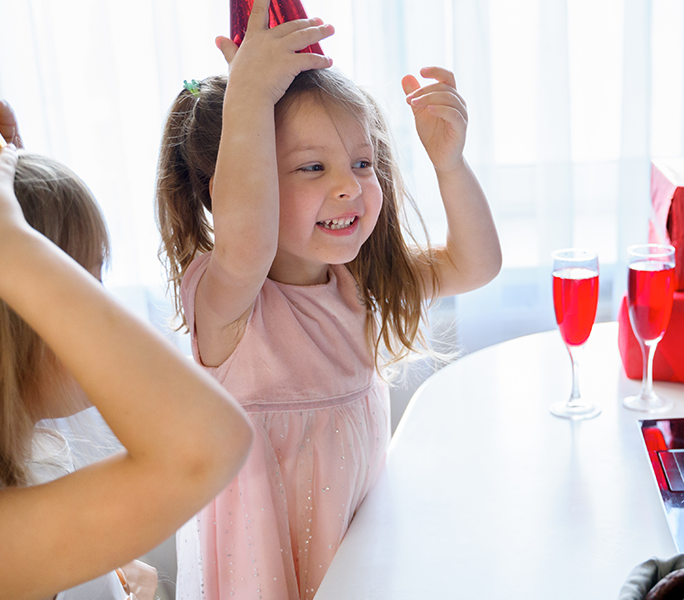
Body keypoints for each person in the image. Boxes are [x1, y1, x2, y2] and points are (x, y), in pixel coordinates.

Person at [0, 80, 253, 600]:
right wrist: (3, 242)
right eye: (78, 283)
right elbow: (209, 443)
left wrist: (6, 206)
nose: (95, 307)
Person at [155, 6, 501, 599]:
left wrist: (449, 163)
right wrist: (250, 96)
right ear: (236, 181)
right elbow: (249, 240)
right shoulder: (228, 304)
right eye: (312, 166)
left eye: (363, 163)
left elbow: (476, 265)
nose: (349, 185)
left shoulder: (360, 285)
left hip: (357, 565)